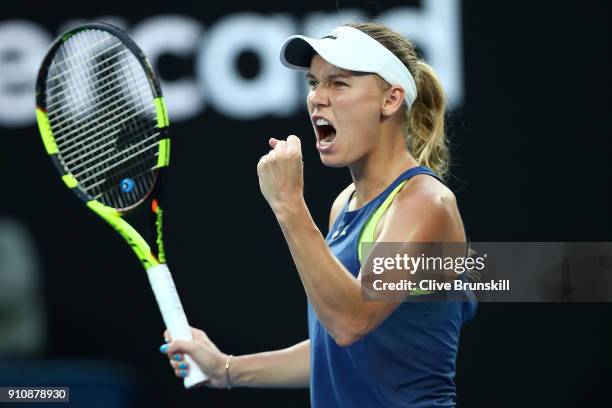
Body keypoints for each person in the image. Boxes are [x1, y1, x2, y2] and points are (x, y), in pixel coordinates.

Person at [160, 22, 477, 407]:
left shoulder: (426, 202)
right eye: (314, 83)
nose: (317, 99)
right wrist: (226, 369)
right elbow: (335, 351)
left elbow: (351, 322)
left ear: (390, 100)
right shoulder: (344, 204)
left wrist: (289, 205)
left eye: (338, 84)